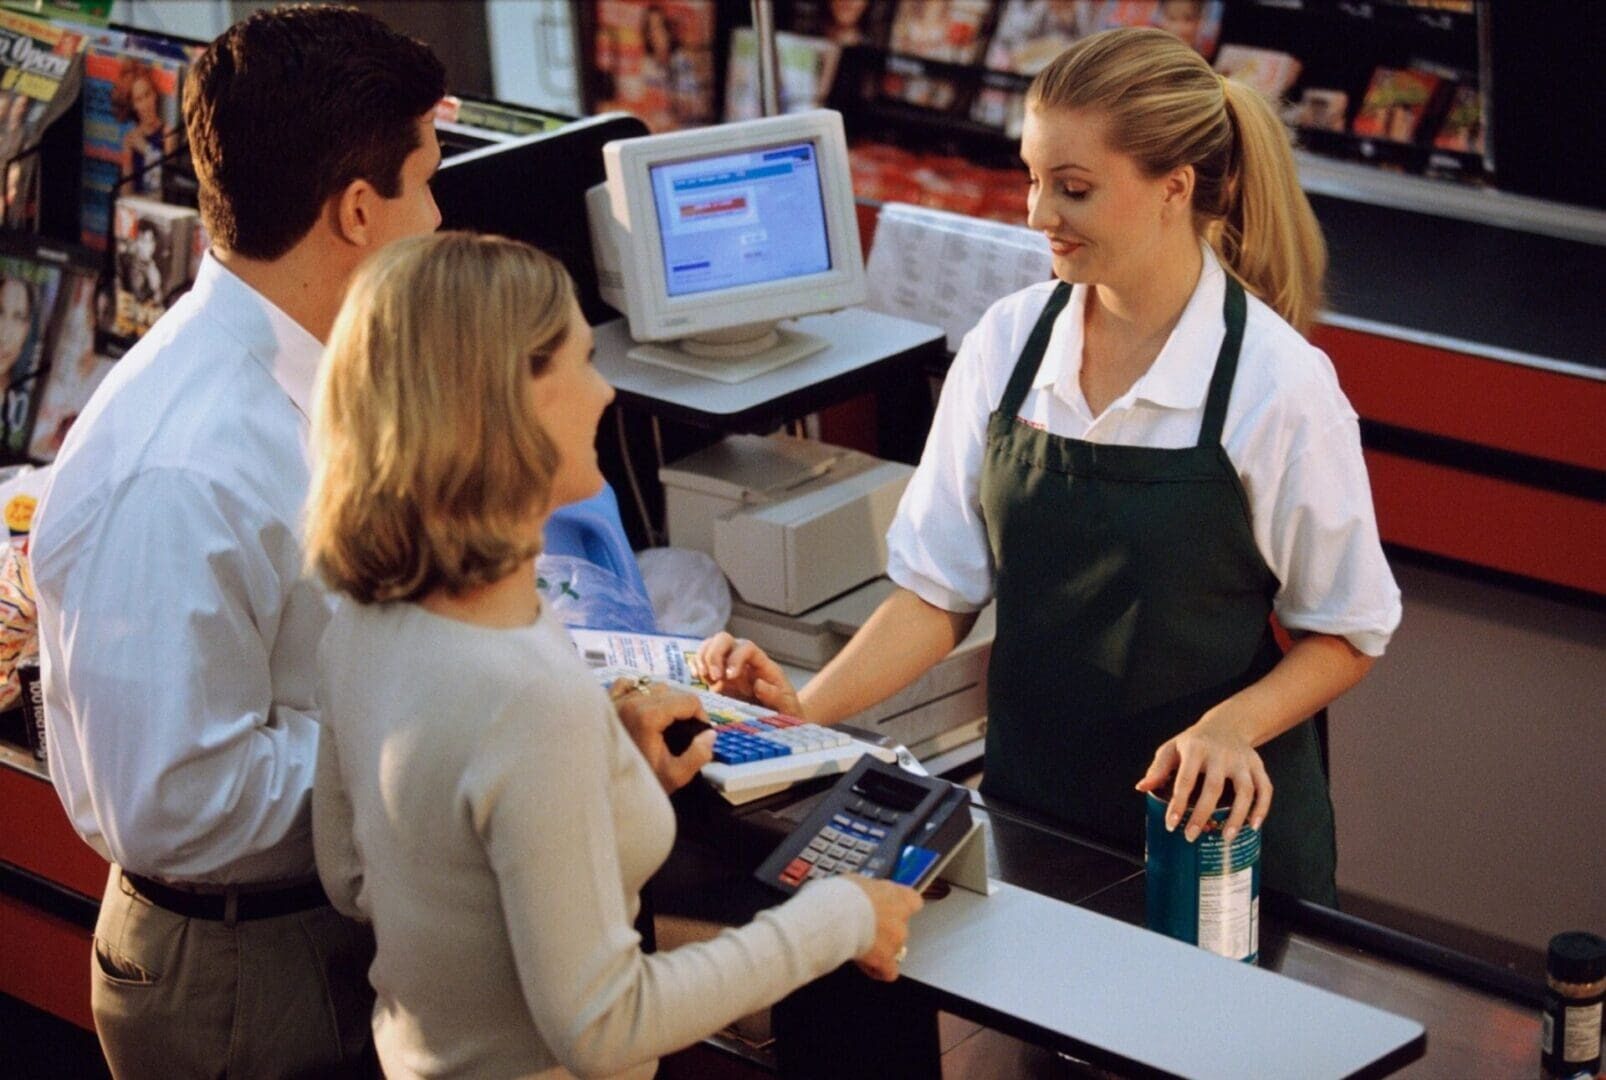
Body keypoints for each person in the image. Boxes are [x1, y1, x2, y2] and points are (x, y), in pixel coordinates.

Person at [700, 27, 1401, 905]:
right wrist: (804, 712)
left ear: (1173, 189)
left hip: (1214, 843)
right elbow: (938, 593)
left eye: (1072, 189)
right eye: (1032, 178)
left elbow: (1348, 628)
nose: (1036, 215)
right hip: (1037, 819)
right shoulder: (1008, 343)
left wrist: (1231, 727)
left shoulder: (1278, 384)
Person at [305, 231, 923, 1079]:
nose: (605, 392)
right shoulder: (530, 699)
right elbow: (605, 1024)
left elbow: (356, 880)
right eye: (585, 361)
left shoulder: (359, 624)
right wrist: (836, 917)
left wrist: (591, 787)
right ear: (507, 401)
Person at [30, 7, 447, 1077]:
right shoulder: (182, 467)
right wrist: (441, 739)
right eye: (427, 182)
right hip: (241, 970)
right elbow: (181, 798)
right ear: (358, 210)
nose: (438, 217)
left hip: (313, 923)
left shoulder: (299, 373)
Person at [114, 62, 180, 193]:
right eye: (138, 99)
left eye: (147, 94)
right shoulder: (130, 138)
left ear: (155, 95)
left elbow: (169, 176)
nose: (146, 104)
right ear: (133, 105)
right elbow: (126, 186)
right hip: (137, 204)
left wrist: (145, 149)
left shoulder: (168, 132)